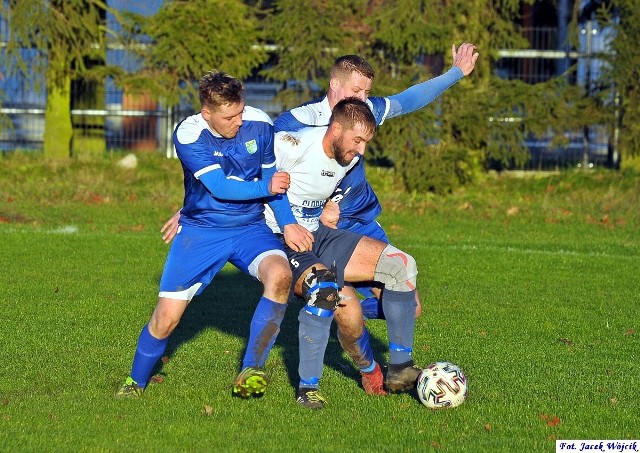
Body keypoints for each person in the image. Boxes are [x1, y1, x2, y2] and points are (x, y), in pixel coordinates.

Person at [115, 71, 313, 399]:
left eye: (241, 111)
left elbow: (271, 180)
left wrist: (288, 221)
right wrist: (267, 186)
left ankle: (251, 369)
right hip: (201, 231)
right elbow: (220, 188)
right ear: (207, 114)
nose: (238, 120)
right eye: (229, 116)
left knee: (279, 276)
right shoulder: (190, 134)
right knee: (166, 320)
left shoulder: (259, 123)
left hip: (250, 228)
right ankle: (135, 382)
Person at [266, 98, 421, 409]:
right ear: (335, 129)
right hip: (280, 239)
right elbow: (244, 167)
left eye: (366, 142)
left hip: (319, 235)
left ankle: (400, 368)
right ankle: (308, 387)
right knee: (329, 295)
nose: (362, 150)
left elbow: (320, 191)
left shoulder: (347, 158)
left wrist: (331, 206)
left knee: (400, 265)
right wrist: (192, 210)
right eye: (358, 140)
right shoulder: (291, 144)